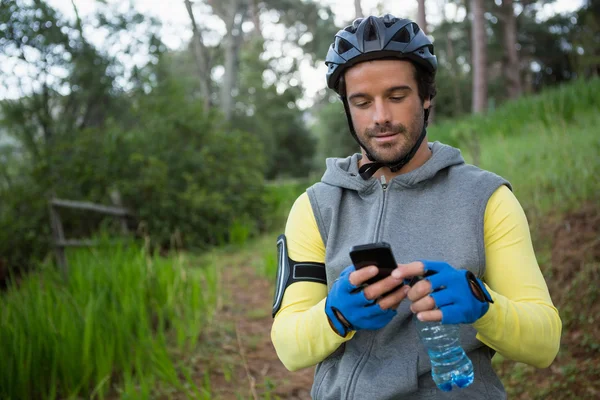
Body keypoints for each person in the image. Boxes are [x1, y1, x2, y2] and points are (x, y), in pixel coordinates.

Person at [270, 14, 561, 399]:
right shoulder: (317, 207)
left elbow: (545, 344)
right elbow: (289, 349)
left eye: (396, 96)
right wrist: (334, 315)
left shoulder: (486, 199)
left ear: (426, 96)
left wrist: (484, 307)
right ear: (347, 108)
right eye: (362, 102)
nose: (381, 117)